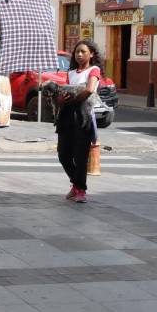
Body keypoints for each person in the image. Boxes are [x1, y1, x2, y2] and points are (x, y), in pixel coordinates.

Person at [56, 40, 101, 203]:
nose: (79, 55)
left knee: (80, 156)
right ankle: (76, 184)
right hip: (67, 115)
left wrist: (71, 99)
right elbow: (65, 92)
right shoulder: (71, 73)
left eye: (83, 51)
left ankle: (80, 190)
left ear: (91, 54)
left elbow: (89, 90)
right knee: (63, 154)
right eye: (77, 52)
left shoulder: (94, 70)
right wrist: (61, 99)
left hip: (83, 115)